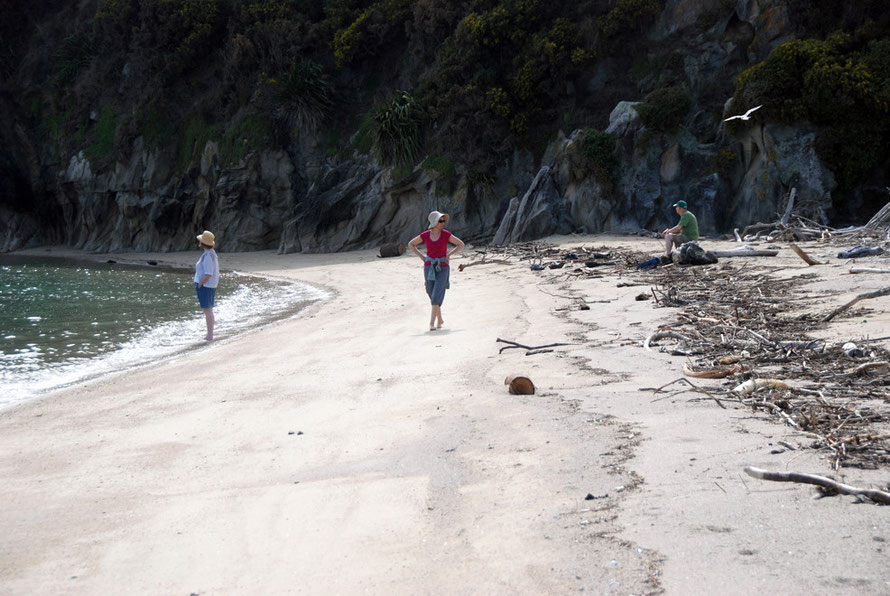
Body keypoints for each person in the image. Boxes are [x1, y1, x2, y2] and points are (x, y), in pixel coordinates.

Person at [408, 211, 465, 331]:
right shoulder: (425, 235)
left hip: (443, 267)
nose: (443, 223)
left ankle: (431, 323)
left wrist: (449, 254)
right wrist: (422, 257)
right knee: (430, 291)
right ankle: (440, 319)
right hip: (429, 267)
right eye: (440, 221)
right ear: (434, 222)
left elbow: (461, 244)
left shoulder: (446, 234)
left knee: (436, 293)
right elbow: (411, 244)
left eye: (444, 221)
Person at [194, 230, 220, 341]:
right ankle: (209, 334)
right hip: (208, 285)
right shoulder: (211, 254)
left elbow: (208, 273)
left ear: (202, 243)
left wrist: (200, 284)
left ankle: (209, 335)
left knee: (207, 310)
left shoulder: (208, 256)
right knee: (208, 310)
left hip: (206, 286)